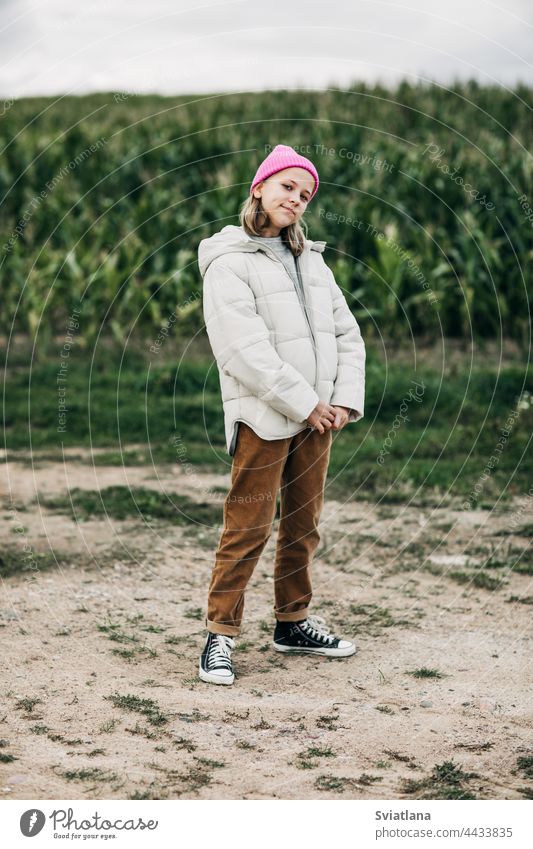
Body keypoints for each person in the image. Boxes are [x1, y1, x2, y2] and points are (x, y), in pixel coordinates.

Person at [197, 144, 366, 685]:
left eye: (305, 193)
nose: (295, 199)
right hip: (265, 416)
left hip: (320, 418)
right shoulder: (229, 261)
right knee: (246, 527)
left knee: (303, 526)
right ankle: (219, 636)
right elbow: (243, 349)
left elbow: (347, 333)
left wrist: (341, 400)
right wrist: (304, 402)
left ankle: (292, 623)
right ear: (260, 188)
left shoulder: (312, 261)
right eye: (287, 187)